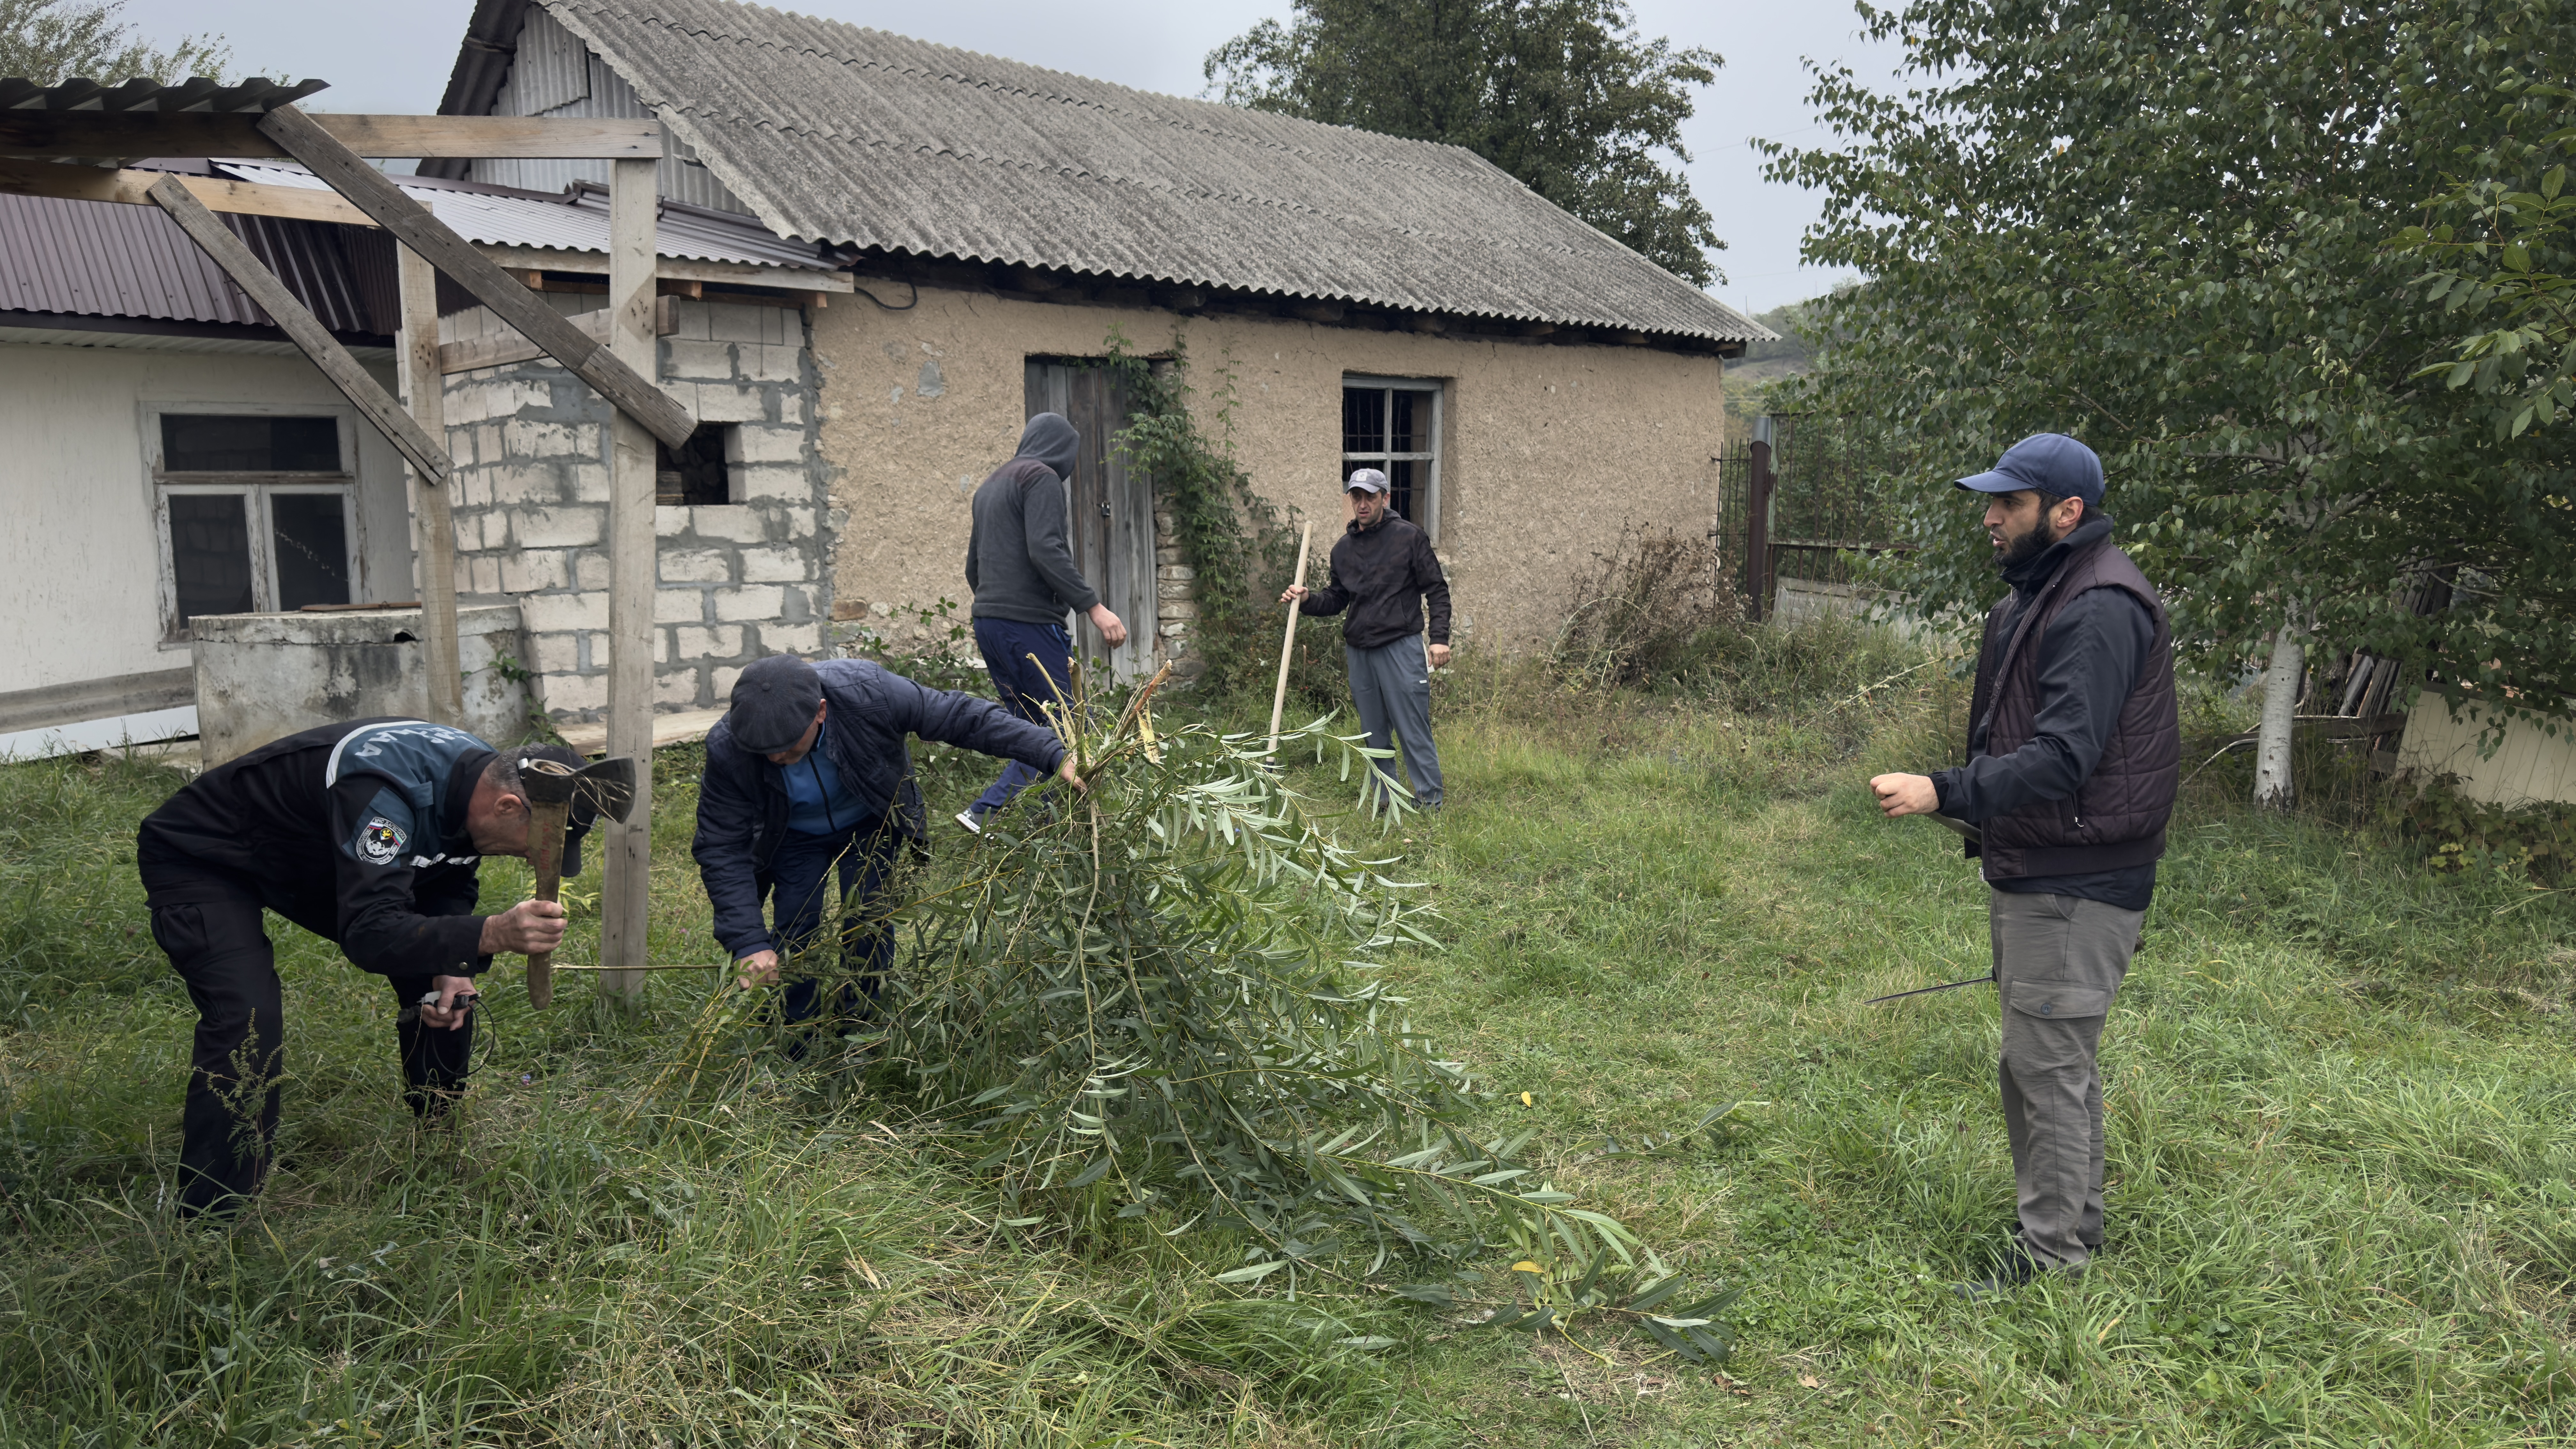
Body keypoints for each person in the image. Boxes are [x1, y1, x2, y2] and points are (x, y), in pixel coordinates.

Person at [1867, 433, 2180, 1294]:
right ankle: (2074, 1229)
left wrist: (1945, 789)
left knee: (2045, 1068)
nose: (1990, 517)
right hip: (2050, 868)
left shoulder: (2097, 605)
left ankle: (2050, 1263)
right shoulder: (2049, 595)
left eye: (2009, 503)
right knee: (2051, 1062)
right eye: (1991, 501)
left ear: (2066, 512)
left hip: (2077, 884)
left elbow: (2064, 757)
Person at [135, 719, 592, 1217]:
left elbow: (447, 872)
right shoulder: (382, 792)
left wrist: (453, 962)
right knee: (247, 1015)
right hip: (208, 856)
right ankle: (210, 1218)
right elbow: (369, 935)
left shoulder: (478, 777)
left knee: (442, 984)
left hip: (308, 858)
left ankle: (437, 1137)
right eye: (533, 844)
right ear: (507, 807)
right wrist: (489, 935)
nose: (531, 860)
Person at [692, 653, 1077, 1033]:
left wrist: (1052, 753)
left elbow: (962, 716)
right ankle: (796, 1033)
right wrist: (746, 942)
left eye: (789, 745)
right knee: (795, 928)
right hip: (792, 836)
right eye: (766, 751)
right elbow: (722, 845)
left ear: (821, 712)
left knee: (869, 923)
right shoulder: (730, 746)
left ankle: (862, 1024)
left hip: (868, 821)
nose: (776, 755)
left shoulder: (868, 691)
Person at [959, 411, 1127, 833]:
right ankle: (995, 813)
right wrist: (1094, 606)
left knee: (1032, 728)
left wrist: (995, 607)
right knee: (1067, 727)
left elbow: (972, 568)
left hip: (990, 625)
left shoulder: (990, 486)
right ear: (1063, 453)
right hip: (1028, 626)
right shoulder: (1041, 477)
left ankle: (1037, 826)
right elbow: (1046, 550)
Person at [1280, 467, 1453, 810]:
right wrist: (1307, 600)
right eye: (1356, 497)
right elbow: (1337, 599)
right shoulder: (1343, 550)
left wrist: (1439, 638)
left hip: (1400, 646)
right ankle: (1386, 800)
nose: (1362, 504)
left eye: (1370, 497)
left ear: (1384, 498)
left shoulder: (1409, 537)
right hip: (1360, 651)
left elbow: (1437, 589)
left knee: (1412, 727)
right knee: (1373, 733)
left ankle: (1430, 802)